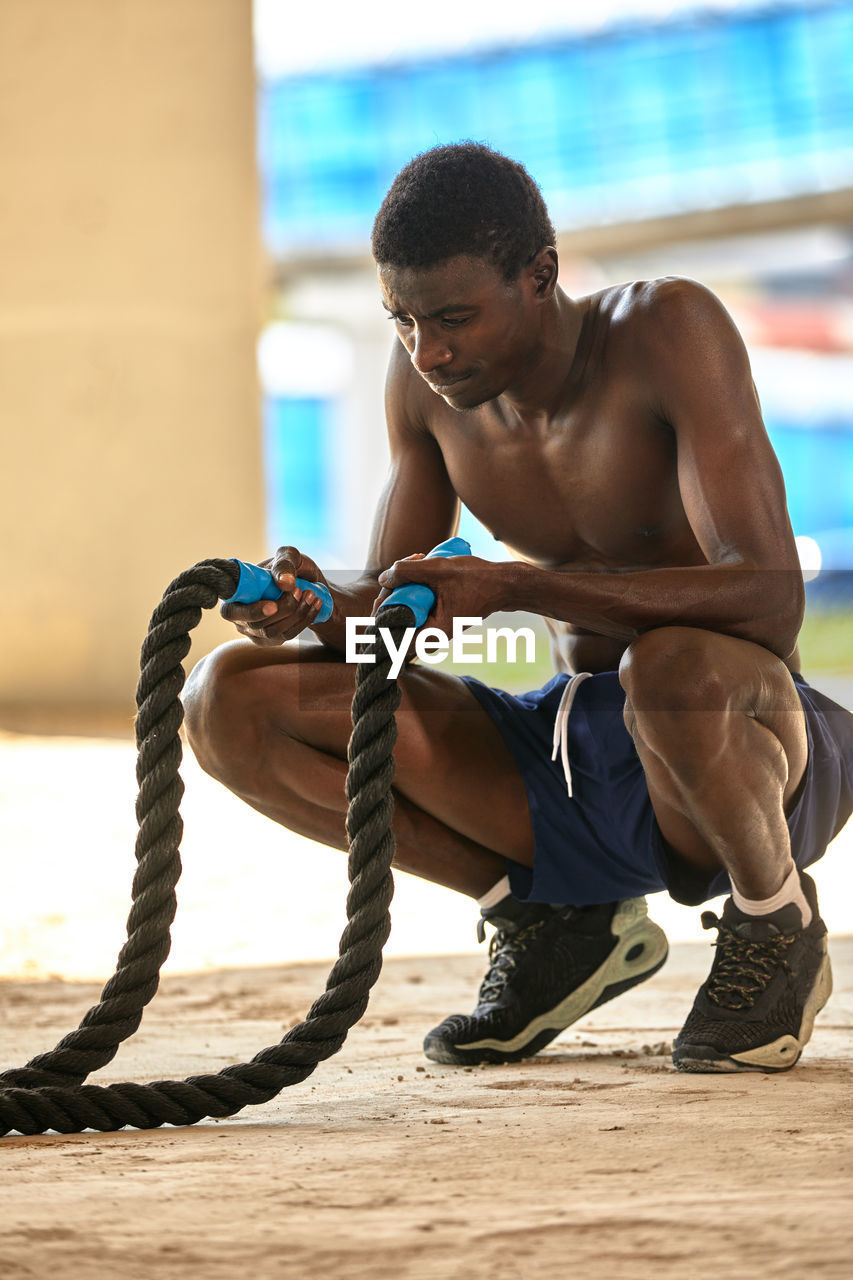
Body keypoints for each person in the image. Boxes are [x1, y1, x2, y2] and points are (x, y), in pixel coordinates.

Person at [184, 142, 853, 1074]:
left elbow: (770, 603)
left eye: (454, 317)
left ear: (539, 275)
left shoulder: (667, 329)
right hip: (568, 762)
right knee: (228, 698)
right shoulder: (424, 385)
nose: (430, 350)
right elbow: (388, 631)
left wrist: (518, 587)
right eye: (405, 321)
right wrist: (309, 606)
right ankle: (547, 920)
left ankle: (773, 921)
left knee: (666, 666)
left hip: (736, 740)